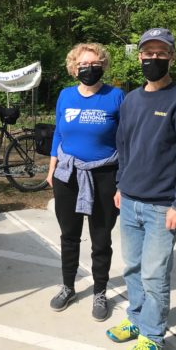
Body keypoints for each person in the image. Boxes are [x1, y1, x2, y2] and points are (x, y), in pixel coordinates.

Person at [106, 28, 176, 350]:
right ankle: (135, 319)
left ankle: (152, 334)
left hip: (164, 207)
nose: (153, 59)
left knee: (154, 274)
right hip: (130, 201)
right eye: (148, 53)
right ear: (139, 57)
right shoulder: (131, 100)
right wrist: (121, 185)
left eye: (161, 53)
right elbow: (124, 147)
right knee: (132, 268)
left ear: (172, 57)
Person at [46, 42, 125, 321]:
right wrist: (52, 166)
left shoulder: (116, 96)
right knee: (69, 235)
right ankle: (68, 286)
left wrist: (122, 184)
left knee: (101, 238)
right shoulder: (65, 96)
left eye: (94, 64)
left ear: (102, 65)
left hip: (105, 176)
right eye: (82, 65)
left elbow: (125, 141)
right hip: (67, 175)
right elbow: (59, 133)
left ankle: (100, 292)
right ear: (73, 68)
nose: (88, 69)